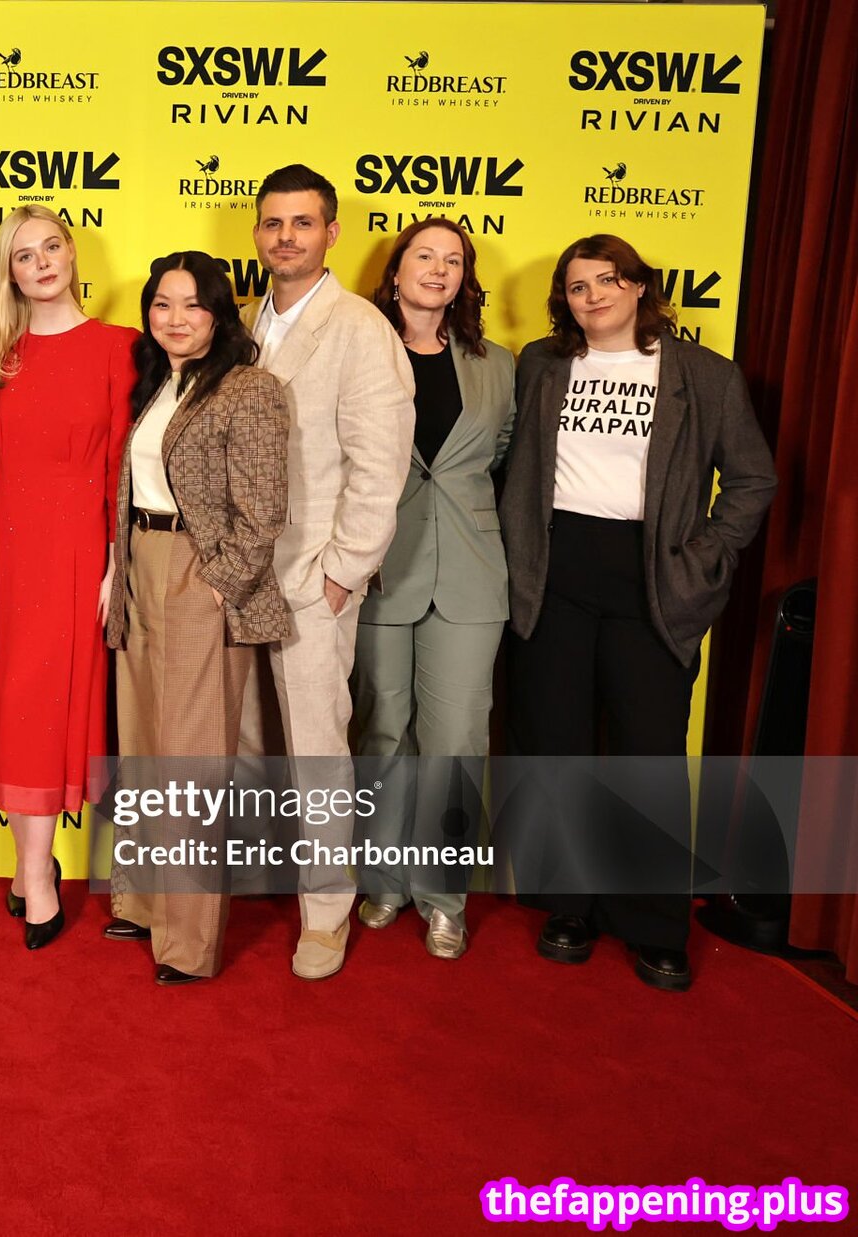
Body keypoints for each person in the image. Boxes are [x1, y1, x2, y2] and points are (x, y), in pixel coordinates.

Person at [499, 234, 775, 991]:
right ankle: (570, 907)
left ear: (640, 286)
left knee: (646, 757)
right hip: (553, 575)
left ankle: (654, 924)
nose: (593, 296)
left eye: (607, 281)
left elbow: (752, 478)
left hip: (654, 581)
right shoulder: (542, 364)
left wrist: (706, 556)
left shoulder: (704, 375)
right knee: (557, 749)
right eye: (577, 286)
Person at [0, 205, 138, 950]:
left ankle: (36, 874)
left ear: (71, 251)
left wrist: (117, 560)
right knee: (14, 707)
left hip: (76, 554)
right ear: (11, 275)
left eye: (51, 246)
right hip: (1, 556)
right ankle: (36, 869)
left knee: (50, 711)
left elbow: (124, 464)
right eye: (24, 256)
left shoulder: (121, 347)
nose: (42, 263)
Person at [241, 164, 415, 980]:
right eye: (274, 223)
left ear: (331, 232)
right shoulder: (247, 322)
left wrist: (342, 572)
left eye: (302, 223)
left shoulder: (360, 329)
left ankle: (325, 913)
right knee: (250, 740)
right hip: (240, 573)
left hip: (312, 575)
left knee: (317, 752)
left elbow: (381, 468)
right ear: (258, 233)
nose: (286, 237)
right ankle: (258, 883)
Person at [105, 252, 290, 985]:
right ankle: (145, 902)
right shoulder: (156, 383)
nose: (175, 318)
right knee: (145, 745)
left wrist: (219, 584)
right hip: (139, 564)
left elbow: (264, 506)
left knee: (191, 762)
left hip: (197, 572)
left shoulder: (248, 388)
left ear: (219, 314)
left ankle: (188, 941)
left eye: (192, 305)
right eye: (162, 304)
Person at [350, 218, 516, 961]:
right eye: (425, 255)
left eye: (454, 259)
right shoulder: (360, 349)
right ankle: (383, 881)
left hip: (471, 576)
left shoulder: (497, 364)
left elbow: (501, 451)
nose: (439, 269)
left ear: (464, 279)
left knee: (456, 741)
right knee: (382, 733)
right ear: (396, 270)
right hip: (378, 568)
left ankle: (445, 897)